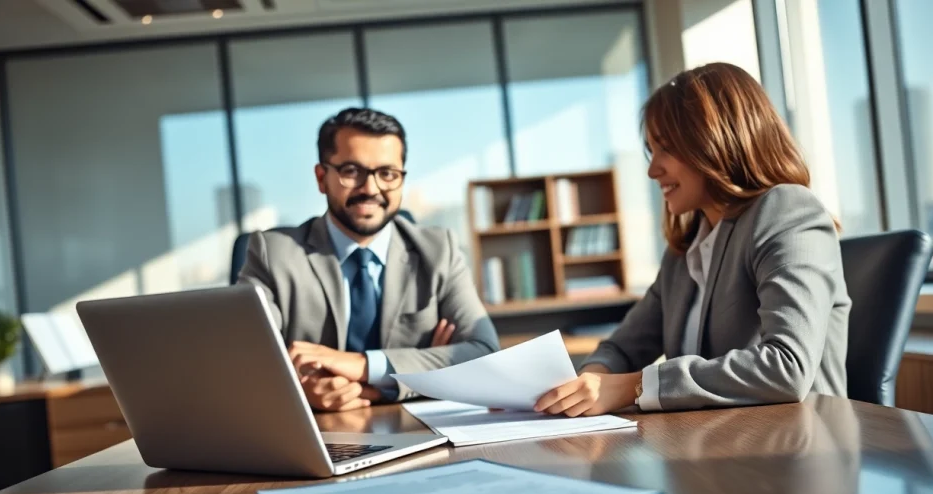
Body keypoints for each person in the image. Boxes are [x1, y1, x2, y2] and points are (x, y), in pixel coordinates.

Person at [535, 62, 851, 417]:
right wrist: (591, 381)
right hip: (714, 440)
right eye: (651, 151)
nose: (652, 170)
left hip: (799, 441)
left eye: (666, 149)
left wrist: (631, 387)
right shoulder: (684, 253)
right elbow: (622, 348)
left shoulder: (786, 211)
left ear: (716, 142)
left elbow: (787, 367)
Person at [238, 107, 500, 412]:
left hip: (416, 426)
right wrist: (424, 371)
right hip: (315, 432)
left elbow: (484, 355)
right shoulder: (273, 253)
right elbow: (243, 364)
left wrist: (364, 368)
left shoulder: (440, 250)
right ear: (322, 178)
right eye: (352, 171)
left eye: (387, 174)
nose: (371, 189)